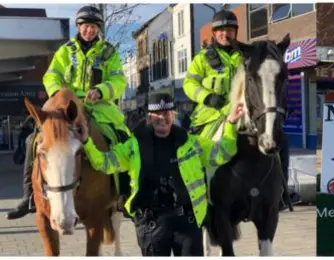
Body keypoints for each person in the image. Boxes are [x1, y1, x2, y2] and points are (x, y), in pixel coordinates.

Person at [75, 93, 244, 256]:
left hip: (187, 223)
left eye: (166, 114)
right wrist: (86, 142)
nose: (162, 119)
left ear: (173, 116)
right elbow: (104, 163)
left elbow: (222, 153)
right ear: (149, 117)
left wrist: (230, 123)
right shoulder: (135, 145)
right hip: (152, 225)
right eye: (157, 115)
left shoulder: (190, 142)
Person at [6, 6, 130, 220]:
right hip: (65, 109)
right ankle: (29, 197)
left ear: (98, 29)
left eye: (93, 27)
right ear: (78, 27)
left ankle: (126, 195)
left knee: (121, 136)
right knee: (31, 141)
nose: (89, 31)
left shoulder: (108, 52)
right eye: (85, 26)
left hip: (98, 107)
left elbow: (119, 80)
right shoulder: (65, 51)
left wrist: (100, 91)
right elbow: (51, 76)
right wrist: (59, 94)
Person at [182, 8, 291, 211]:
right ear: (214, 34)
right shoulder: (203, 59)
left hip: (246, 114)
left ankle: (281, 192)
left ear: (236, 32)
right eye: (221, 30)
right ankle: (195, 196)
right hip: (211, 116)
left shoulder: (248, 54)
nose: (226, 34)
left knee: (280, 139)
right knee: (195, 150)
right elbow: (189, 84)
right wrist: (208, 97)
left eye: (230, 30)